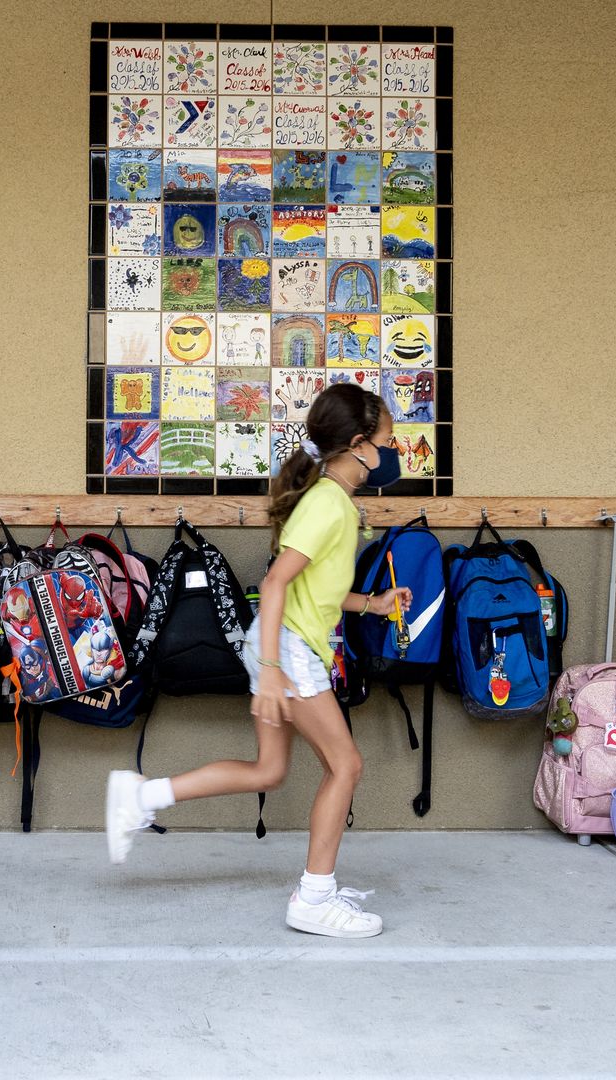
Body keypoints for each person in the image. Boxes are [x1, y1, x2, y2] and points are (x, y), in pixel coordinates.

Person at [104, 383, 407, 938]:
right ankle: (314, 898)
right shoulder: (327, 503)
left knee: (269, 770)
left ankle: (142, 796)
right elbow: (274, 584)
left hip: (281, 647)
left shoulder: (331, 500)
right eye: (388, 441)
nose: (392, 453)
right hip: (286, 653)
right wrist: (270, 669)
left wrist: (373, 604)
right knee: (347, 766)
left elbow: (315, 590)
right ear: (360, 444)